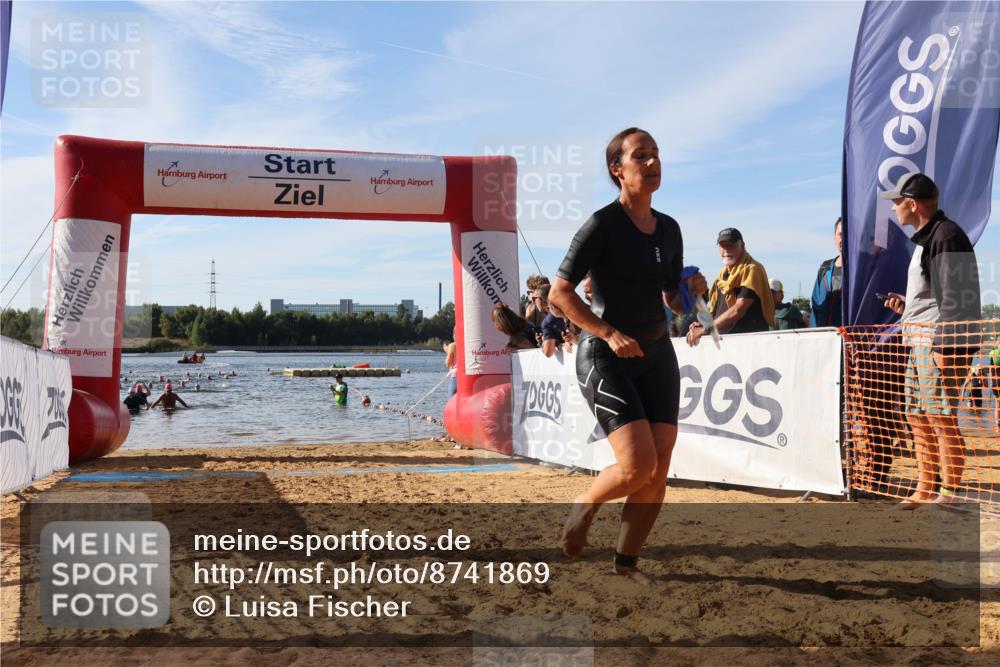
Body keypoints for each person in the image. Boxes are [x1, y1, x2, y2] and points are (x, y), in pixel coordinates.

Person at [548, 127, 707, 584]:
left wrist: (692, 293)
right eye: (642, 156)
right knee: (638, 466)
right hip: (606, 355)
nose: (653, 163)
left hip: (657, 353)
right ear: (618, 169)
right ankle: (586, 505)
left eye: (657, 154)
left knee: (658, 471)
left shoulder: (670, 228)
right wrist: (608, 332)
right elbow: (560, 293)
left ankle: (625, 564)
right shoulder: (602, 224)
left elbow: (675, 303)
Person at [880, 173, 981, 504]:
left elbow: (959, 298)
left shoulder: (946, 236)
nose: (894, 208)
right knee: (917, 416)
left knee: (941, 418)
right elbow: (936, 297)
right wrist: (906, 307)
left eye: (897, 202)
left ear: (913, 203)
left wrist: (945, 348)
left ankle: (948, 493)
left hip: (936, 346)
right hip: (920, 343)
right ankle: (925, 489)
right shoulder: (931, 237)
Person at [687, 228, 774, 346]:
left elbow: (738, 311)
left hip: (748, 345)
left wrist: (705, 329)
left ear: (742, 246)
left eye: (730, 245)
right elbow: (717, 313)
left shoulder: (752, 269)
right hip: (726, 345)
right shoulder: (722, 277)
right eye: (722, 246)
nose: (726, 250)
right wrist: (701, 325)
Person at [811, 218, 844, 327]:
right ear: (834, 239)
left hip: (852, 340)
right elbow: (816, 308)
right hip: (826, 340)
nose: (844, 239)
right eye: (841, 235)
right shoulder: (824, 269)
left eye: (848, 234)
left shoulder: (860, 271)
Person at [536, 285, 572, 357]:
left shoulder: (547, 322)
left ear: (541, 300)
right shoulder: (573, 308)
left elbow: (548, 352)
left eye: (534, 299)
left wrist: (542, 343)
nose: (533, 302)